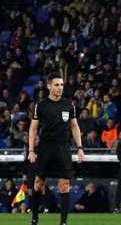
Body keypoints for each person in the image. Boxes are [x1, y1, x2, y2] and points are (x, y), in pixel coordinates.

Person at [28, 74, 86, 225]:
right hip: (45, 147)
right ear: (49, 86)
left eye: (61, 85)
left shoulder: (69, 105)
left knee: (64, 184)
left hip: (63, 148)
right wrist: (31, 150)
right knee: (39, 183)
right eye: (57, 85)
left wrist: (80, 148)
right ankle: (34, 218)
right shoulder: (41, 105)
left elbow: (74, 127)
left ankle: (63, 222)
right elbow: (33, 129)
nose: (60, 88)